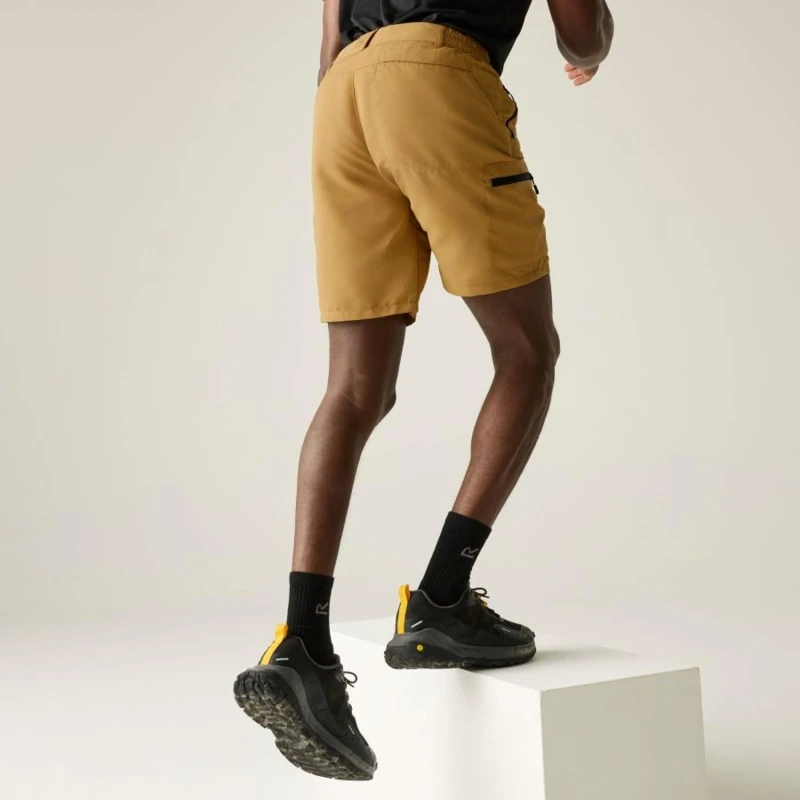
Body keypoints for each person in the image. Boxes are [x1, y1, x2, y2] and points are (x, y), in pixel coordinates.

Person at [234, 0, 614, 781]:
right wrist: (594, 52)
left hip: (342, 98)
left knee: (354, 389)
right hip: (436, 73)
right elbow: (582, 33)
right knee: (526, 351)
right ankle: (441, 600)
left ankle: (302, 643)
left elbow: (329, 42)